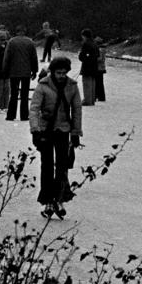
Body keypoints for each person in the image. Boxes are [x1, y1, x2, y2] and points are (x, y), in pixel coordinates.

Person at [29, 56, 83, 219]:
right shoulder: (43, 85)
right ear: (52, 71)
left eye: (64, 73)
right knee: (46, 166)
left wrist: (75, 133)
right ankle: (47, 200)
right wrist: (35, 130)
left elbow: (77, 110)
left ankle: (60, 198)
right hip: (45, 130)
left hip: (63, 129)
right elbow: (34, 109)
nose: (61, 75)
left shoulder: (72, 86)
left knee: (62, 166)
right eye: (58, 72)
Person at [2, 27, 39, 122]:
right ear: (24, 32)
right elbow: (34, 57)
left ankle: (11, 115)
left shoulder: (11, 42)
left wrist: (5, 70)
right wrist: (35, 71)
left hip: (14, 72)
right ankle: (24, 115)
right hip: (26, 72)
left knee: (14, 94)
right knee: (24, 94)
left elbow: (7, 57)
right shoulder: (30, 42)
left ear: (16, 32)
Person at [78, 30, 99, 108]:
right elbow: (98, 55)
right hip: (94, 66)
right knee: (93, 82)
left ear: (84, 36)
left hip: (87, 66)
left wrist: (82, 57)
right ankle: (92, 99)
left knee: (86, 83)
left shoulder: (86, 44)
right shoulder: (95, 44)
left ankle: (87, 100)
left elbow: (82, 56)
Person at [94, 36, 107, 104]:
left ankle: (100, 96)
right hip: (100, 68)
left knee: (98, 83)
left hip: (99, 68)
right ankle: (100, 96)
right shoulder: (102, 49)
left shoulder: (100, 49)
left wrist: (93, 59)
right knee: (99, 83)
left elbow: (100, 59)